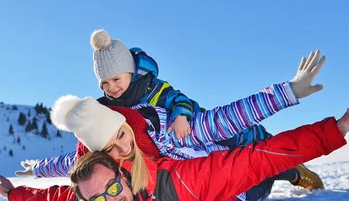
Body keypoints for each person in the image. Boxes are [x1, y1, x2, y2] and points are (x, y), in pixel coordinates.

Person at [0, 88, 349, 201]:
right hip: (205, 170)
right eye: (98, 199)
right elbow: (54, 199)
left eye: (113, 189)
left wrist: (330, 130)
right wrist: (16, 193)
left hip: (233, 193)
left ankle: (291, 172)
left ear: (123, 177)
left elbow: (249, 160)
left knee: (259, 165)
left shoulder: (172, 182)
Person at [17, 49, 327, 192]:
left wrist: (289, 91)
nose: (112, 87)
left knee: (255, 153)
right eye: (104, 84)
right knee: (242, 173)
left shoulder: (152, 91)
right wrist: (39, 168)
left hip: (192, 128)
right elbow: (77, 162)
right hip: (202, 171)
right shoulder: (109, 117)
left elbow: (192, 106)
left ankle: (291, 171)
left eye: (116, 79)